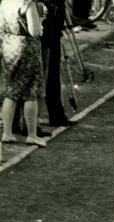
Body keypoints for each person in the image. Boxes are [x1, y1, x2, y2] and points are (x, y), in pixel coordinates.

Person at [0, 0, 47, 147]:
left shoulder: (4, 3)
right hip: (26, 49)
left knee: (11, 90)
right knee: (30, 91)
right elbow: (34, 31)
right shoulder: (28, 4)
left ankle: (7, 133)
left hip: (8, 45)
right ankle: (31, 134)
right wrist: (41, 19)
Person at [41, 0, 76, 128]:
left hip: (52, 29)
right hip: (47, 31)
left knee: (52, 74)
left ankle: (56, 114)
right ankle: (55, 115)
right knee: (49, 74)